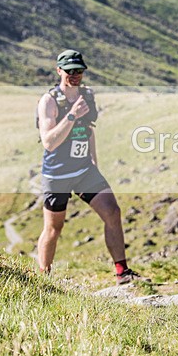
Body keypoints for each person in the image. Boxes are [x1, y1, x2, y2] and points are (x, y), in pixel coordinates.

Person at [36, 50, 149, 285]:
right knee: (53, 229)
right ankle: (43, 278)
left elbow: (89, 130)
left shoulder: (87, 95)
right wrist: (71, 116)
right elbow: (49, 142)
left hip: (85, 170)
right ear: (59, 71)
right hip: (57, 175)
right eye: (70, 71)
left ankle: (122, 272)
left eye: (79, 70)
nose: (75, 75)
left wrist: (95, 163)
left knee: (113, 212)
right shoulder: (49, 101)